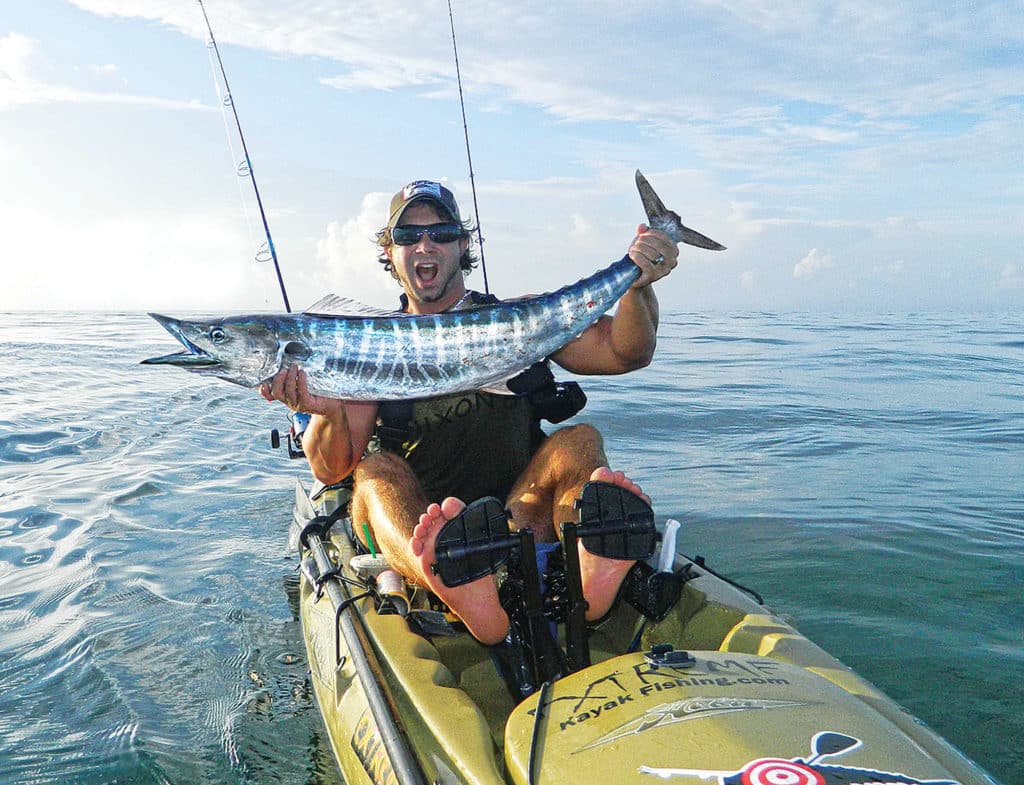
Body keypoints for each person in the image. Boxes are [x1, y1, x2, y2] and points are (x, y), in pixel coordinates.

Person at [260, 179, 678, 645]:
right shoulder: (364, 346)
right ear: (391, 252)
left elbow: (626, 353)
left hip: (519, 516)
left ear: (462, 245)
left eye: (440, 233)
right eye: (407, 237)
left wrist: (637, 287)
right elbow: (332, 466)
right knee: (373, 472)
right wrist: (323, 408)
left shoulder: (520, 319)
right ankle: (445, 571)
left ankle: (587, 574)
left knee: (578, 441)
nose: (425, 245)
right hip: (419, 524)